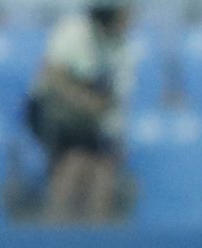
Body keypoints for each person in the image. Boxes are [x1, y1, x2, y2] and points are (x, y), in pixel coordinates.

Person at [30, 0, 130, 222]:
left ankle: (94, 241)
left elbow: (114, 101)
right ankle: (54, 237)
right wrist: (86, 100)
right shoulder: (73, 31)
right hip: (54, 114)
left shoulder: (122, 47)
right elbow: (52, 78)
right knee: (74, 163)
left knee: (104, 170)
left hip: (94, 124)